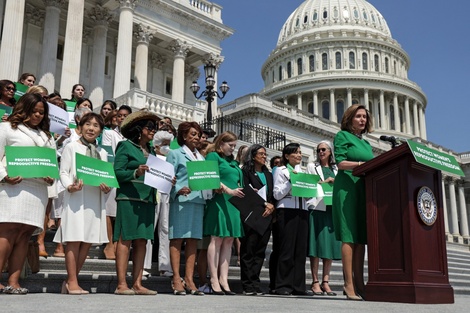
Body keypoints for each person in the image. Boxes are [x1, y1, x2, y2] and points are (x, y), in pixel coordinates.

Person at [0, 93, 55, 294]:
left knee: (24, 235)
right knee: (7, 232)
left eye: (41, 112)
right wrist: (4, 175)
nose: (38, 115)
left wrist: (51, 177)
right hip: (13, 187)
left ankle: (14, 282)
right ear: (24, 109)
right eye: (34, 111)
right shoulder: (7, 128)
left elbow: (52, 163)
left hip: (37, 189)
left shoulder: (46, 136)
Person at [53, 112, 110, 294]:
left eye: (95, 126)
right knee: (74, 238)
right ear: (81, 126)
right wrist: (70, 186)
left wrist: (106, 186)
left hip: (94, 198)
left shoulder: (102, 152)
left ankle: (71, 281)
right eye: (88, 124)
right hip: (77, 197)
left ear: (100, 130)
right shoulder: (72, 146)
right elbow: (63, 172)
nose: (91, 128)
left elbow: (105, 176)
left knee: (86, 241)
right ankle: (72, 281)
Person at [113, 110, 159, 295]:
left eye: (155, 128)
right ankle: (121, 284)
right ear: (138, 129)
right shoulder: (125, 146)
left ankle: (138, 284)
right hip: (129, 198)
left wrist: (166, 179)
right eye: (150, 127)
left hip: (148, 199)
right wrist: (136, 173)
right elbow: (117, 172)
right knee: (126, 240)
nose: (153, 131)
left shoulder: (153, 151)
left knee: (142, 242)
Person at [332, 104, 374, 301]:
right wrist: (361, 165)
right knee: (349, 236)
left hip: (362, 188)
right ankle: (348, 283)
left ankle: (360, 282)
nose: (362, 120)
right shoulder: (342, 136)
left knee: (360, 238)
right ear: (349, 118)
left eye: (364, 117)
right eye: (358, 116)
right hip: (346, 187)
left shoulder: (366, 144)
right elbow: (340, 163)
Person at [166, 122, 207, 295]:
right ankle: (176, 278)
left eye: (198, 134)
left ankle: (189, 279)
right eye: (193, 134)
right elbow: (167, 178)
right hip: (181, 201)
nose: (196, 137)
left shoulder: (202, 158)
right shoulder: (175, 154)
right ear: (184, 136)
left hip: (198, 201)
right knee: (177, 239)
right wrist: (176, 190)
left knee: (193, 241)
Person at [203, 131, 244, 295]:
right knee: (217, 239)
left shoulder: (232, 162)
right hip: (219, 200)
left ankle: (224, 279)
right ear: (221, 143)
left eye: (235, 146)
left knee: (229, 240)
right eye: (231, 145)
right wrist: (229, 190)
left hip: (234, 203)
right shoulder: (213, 156)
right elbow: (211, 176)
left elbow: (237, 179)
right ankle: (213, 278)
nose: (233, 149)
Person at [272, 143, 309, 296]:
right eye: (296, 153)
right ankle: (283, 285)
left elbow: (308, 194)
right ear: (287, 156)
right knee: (286, 249)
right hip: (286, 210)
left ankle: (299, 286)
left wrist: (311, 190)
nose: (299, 155)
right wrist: (290, 183)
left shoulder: (304, 172)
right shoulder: (280, 171)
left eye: (300, 153)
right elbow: (277, 194)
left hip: (303, 210)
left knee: (300, 251)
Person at [306, 140, 342, 296]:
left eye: (323, 150)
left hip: (332, 210)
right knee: (316, 245)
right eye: (318, 150)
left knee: (329, 246)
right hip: (318, 208)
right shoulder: (311, 167)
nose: (321, 152)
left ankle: (325, 281)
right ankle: (315, 281)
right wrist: (325, 182)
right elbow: (308, 185)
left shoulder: (336, 168)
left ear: (330, 152)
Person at [240, 144, 275, 295]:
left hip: (267, 215)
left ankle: (255, 283)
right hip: (252, 214)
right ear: (253, 156)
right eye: (261, 154)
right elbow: (246, 190)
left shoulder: (268, 174)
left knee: (260, 252)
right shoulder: (246, 172)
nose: (264, 156)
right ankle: (247, 284)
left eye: (265, 154)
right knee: (249, 250)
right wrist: (263, 204)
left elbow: (272, 193)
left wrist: (271, 205)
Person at [142, 130, 174, 278]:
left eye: (168, 144)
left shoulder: (171, 158)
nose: (167, 147)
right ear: (156, 145)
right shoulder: (151, 157)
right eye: (164, 144)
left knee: (165, 229)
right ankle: (143, 265)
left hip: (167, 194)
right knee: (150, 228)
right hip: (153, 193)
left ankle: (165, 266)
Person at [101, 105, 132, 260]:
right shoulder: (109, 133)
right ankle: (108, 244)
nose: (121, 118)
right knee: (108, 210)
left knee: (120, 211)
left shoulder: (132, 137)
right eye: (119, 115)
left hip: (128, 177)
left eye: (125, 115)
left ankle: (117, 243)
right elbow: (107, 154)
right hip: (112, 173)